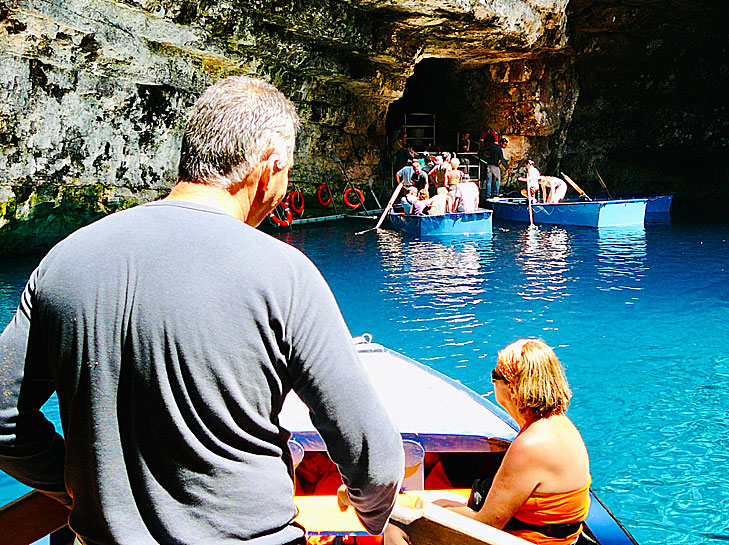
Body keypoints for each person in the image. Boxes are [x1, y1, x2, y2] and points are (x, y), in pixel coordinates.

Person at [0, 75, 404, 545]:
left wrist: (77, 488)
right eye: (288, 171)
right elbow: (374, 459)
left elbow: (3, 419)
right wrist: (374, 519)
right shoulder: (284, 273)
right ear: (269, 168)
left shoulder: (64, 260)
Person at [439, 339, 591, 545]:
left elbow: (485, 526)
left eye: (495, 376)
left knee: (399, 524)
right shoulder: (560, 425)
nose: (492, 381)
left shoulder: (530, 445)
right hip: (564, 538)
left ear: (512, 387)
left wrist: (428, 509)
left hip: (532, 540)